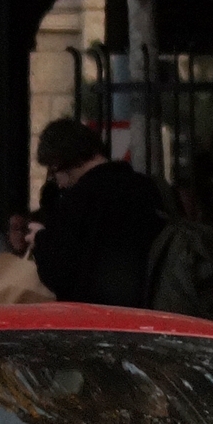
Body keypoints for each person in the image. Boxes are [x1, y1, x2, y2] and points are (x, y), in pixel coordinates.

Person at [30, 118, 162, 307]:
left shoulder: (79, 201)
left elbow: (62, 274)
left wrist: (41, 240)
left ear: (60, 161)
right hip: (148, 309)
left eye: (53, 171)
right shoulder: (144, 188)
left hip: (97, 315)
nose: (58, 183)